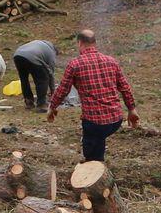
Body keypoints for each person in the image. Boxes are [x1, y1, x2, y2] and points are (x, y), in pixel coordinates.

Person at [46, 28, 138, 164]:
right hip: (115, 120)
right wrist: (132, 109)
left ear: (79, 43)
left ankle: (94, 170)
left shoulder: (75, 64)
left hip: (94, 122)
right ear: (95, 43)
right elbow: (124, 87)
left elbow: (63, 89)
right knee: (98, 140)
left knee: (92, 151)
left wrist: (52, 107)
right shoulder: (111, 61)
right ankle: (98, 164)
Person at [11, 39, 59, 111]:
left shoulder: (39, 44)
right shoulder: (51, 52)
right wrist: (53, 92)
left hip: (18, 55)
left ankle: (29, 102)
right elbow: (50, 74)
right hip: (32, 56)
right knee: (42, 79)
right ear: (55, 51)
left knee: (24, 79)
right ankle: (41, 104)